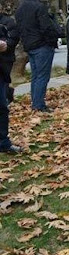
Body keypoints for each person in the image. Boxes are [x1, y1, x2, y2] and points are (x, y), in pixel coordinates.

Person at [15, 0, 63, 112]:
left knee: (35, 76)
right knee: (42, 76)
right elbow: (46, 27)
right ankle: (39, 104)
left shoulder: (20, 8)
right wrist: (52, 39)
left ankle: (35, 102)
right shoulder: (39, 6)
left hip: (29, 45)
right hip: (42, 45)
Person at [0, 10, 21, 153]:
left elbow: (13, 38)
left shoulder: (5, 22)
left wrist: (6, 44)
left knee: (2, 106)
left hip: (1, 70)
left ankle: (3, 142)